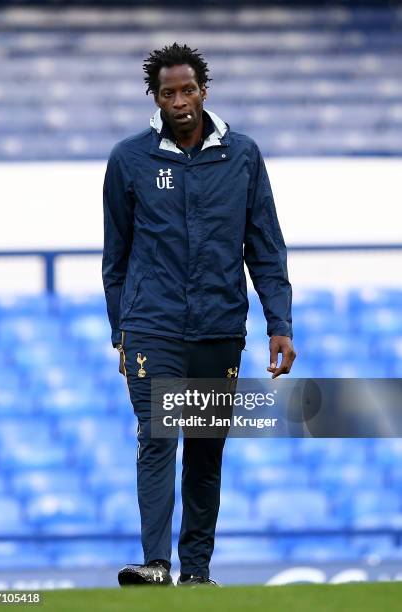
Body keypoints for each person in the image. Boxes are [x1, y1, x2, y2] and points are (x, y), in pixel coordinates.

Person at [102, 42, 296, 587]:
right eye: (169, 92)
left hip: (219, 326)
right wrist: (122, 330)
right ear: (155, 97)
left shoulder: (243, 156)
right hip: (152, 326)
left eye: (188, 89)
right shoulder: (129, 159)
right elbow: (115, 256)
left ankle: (198, 574)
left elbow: (265, 247)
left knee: (206, 451)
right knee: (159, 434)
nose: (180, 100)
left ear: (204, 90)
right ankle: (157, 564)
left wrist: (279, 324)